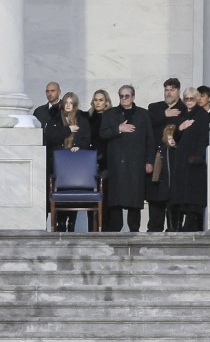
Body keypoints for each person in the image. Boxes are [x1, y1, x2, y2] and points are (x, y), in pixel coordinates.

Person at [99, 84, 153, 232]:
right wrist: (118, 129)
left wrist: (149, 161)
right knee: (116, 198)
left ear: (133, 97)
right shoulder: (110, 114)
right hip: (117, 163)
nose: (124, 99)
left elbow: (150, 139)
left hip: (136, 162)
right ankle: (116, 229)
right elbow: (102, 134)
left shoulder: (143, 114)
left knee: (135, 197)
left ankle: (134, 229)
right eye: (121, 96)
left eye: (126, 96)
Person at [47, 91, 92, 231]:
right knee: (59, 192)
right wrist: (68, 129)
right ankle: (60, 223)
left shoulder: (82, 119)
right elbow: (50, 137)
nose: (68, 105)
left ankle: (71, 223)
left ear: (75, 105)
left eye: (71, 103)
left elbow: (87, 140)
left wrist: (79, 147)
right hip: (58, 164)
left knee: (73, 193)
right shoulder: (56, 118)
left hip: (75, 164)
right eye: (66, 102)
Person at [169, 87, 210, 231]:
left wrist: (198, 155)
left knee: (193, 194)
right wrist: (180, 128)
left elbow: (204, 138)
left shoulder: (202, 115)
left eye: (191, 99)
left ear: (198, 99)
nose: (189, 101)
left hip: (194, 160)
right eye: (186, 99)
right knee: (180, 193)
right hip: (181, 158)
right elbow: (176, 138)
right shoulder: (183, 115)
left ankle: (190, 225)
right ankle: (179, 225)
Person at [145, 77, 183, 231]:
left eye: (172, 89)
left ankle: (174, 228)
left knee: (173, 193)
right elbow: (148, 123)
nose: (168, 92)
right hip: (157, 155)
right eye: (166, 89)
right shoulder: (155, 108)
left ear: (178, 91)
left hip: (174, 157)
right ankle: (154, 228)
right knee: (155, 193)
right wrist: (165, 114)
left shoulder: (183, 107)